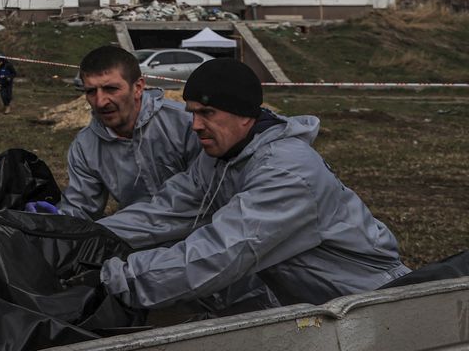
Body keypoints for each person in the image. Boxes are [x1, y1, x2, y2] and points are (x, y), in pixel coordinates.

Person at [82, 58, 410, 310]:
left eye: (207, 112)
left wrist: (117, 279)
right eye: (192, 112)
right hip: (322, 311)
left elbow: (220, 253)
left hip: (378, 307)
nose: (195, 125)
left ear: (244, 115)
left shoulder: (287, 173)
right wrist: (84, 238)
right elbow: (164, 210)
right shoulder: (222, 158)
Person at [54, 45, 199, 219]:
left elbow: (211, 193)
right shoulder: (85, 147)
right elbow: (79, 211)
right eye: (91, 91)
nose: (100, 102)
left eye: (111, 89)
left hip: (196, 232)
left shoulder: (186, 123)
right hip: (138, 236)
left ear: (138, 87)